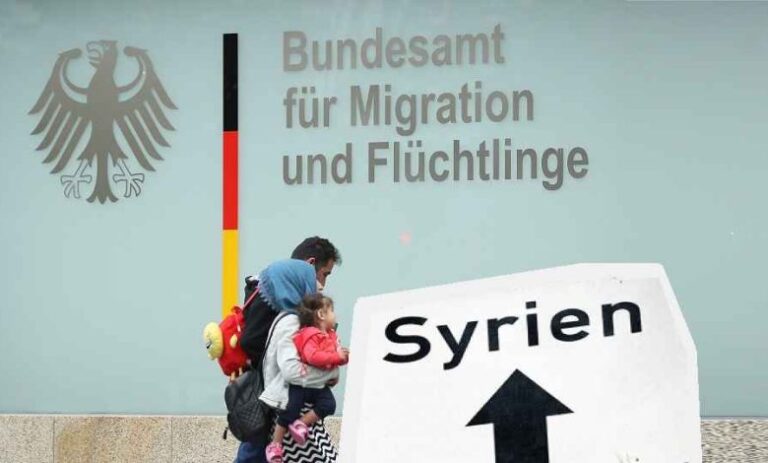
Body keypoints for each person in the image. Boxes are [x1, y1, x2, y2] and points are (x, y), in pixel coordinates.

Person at [235, 253, 341, 463]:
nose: (318, 287)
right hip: (286, 404)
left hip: (291, 404)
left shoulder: (295, 320)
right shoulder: (290, 322)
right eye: (315, 280)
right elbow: (291, 370)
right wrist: (325, 374)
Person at [265, 294, 349, 462]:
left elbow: (335, 357)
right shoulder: (310, 334)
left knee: (329, 404)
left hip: (318, 386)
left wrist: (343, 357)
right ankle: (275, 444)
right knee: (289, 410)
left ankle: (301, 424)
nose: (335, 315)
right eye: (332, 311)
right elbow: (313, 357)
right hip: (301, 385)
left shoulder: (331, 335)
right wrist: (336, 358)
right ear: (321, 314)